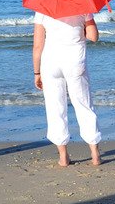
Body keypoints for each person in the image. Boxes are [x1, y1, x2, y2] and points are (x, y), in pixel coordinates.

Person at [33, 11, 101, 166]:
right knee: (84, 105)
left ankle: (63, 156)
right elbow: (93, 36)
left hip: (51, 63)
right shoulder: (83, 7)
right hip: (75, 61)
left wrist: (37, 72)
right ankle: (95, 154)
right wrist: (83, 27)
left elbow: (37, 46)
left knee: (55, 108)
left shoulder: (42, 9)